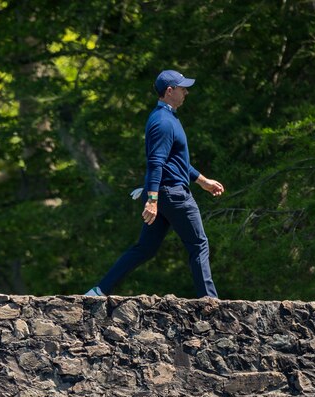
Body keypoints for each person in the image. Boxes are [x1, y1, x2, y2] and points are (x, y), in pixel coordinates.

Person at [85, 69, 224, 299]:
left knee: (145, 248)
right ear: (169, 91)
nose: (186, 92)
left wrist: (202, 181)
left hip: (164, 194)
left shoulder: (167, 118)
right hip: (174, 195)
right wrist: (151, 200)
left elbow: (176, 161)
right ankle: (210, 302)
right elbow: (156, 163)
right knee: (198, 245)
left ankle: (98, 291)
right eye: (182, 88)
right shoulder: (163, 122)